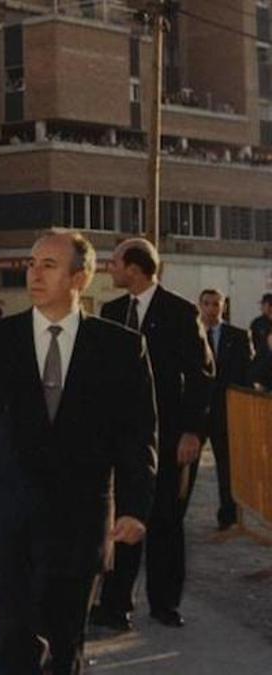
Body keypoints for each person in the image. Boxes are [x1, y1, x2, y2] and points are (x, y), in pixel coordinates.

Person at [0, 229, 157, 675]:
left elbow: (137, 436)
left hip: (78, 522)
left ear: (81, 277)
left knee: (65, 646)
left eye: (49, 265)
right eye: (31, 263)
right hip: (9, 520)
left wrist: (136, 508)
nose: (34, 274)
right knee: (11, 642)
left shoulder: (119, 347)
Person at [92, 238, 213, 631]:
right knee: (122, 521)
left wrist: (193, 432)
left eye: (115, 263)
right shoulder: (110, 312)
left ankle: (164, 604)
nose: (110, 270)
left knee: (164, 522)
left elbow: (201, 375)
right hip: (120, 440)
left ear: (135, 268)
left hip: (169, 439)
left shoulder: (179, 312)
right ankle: (114, 605)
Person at [197, 289, 253, 530]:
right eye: (207, 304)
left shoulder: (238, 336)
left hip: (226, 412)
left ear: (223, 307)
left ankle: (228, 516)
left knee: (226, 467)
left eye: (216, 304)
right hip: (196, 412)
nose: (211, 309)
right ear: (199, 305)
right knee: (184, 468)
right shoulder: (189, 333)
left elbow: (246, 375)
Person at [250, 293, 272, 362]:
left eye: (264, 305)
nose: (261, 307)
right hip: (261, 361)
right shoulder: (257, 323)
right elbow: (251, 341)